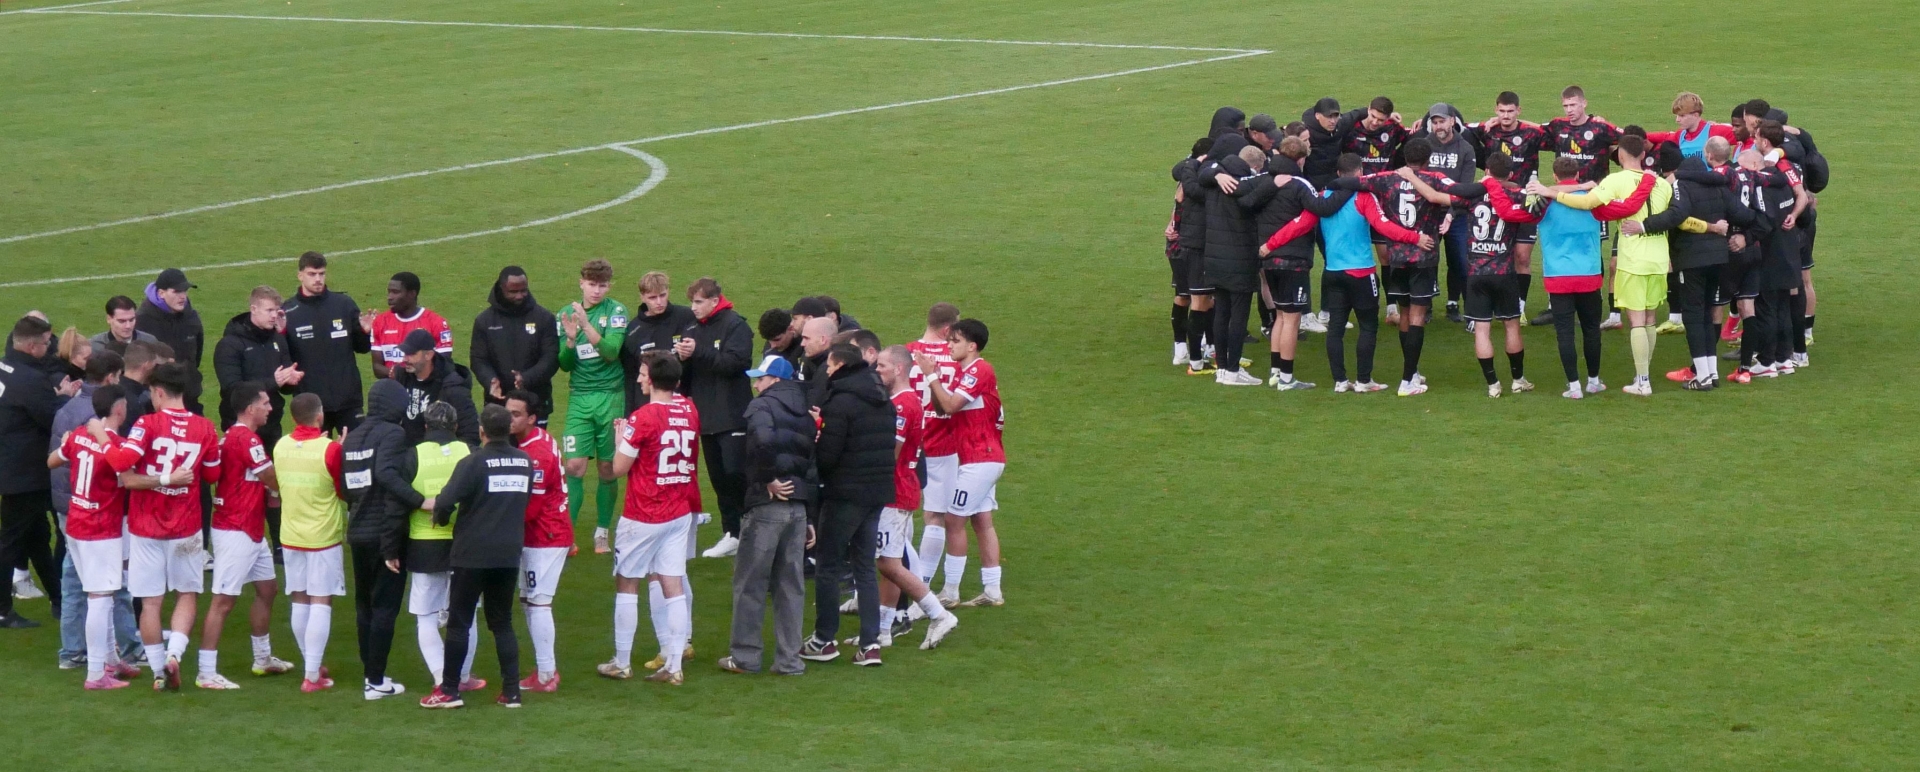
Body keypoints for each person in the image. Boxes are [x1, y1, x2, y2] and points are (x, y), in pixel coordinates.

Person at [1261, 153, 1432, 393]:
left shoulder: (1322, 198)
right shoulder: (1364, 197)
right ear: (1360, 173)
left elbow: (1299, 224)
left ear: (1339, 174)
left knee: (1336, 328)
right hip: (1361, 273)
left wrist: (1270, 245)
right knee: (1368, 327)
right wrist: (1415, 238)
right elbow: (1383, 226)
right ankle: (1363, 380)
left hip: (1332, 273)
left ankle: (1340, 381)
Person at [107, 361, 219, 690]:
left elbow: (121, 462)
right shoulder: (205, 427)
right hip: (187, 525)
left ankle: (158, 671)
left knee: (151, 602)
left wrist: (102, 436)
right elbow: (212, 474)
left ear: (158, 392)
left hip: (145, 526)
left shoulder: (147, 423)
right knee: (187, 594)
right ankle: (175, 655)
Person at [1530, 138, 1670, 394]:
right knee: (1596, 329)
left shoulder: (1547, 199)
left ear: (1555, 175)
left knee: (1565, 332)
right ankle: (1597, 381)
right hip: (1597, 273)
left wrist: (1550, 190)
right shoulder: (1655, 186)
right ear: (1578, 174)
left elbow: (1526, 211)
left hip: (1561, 276)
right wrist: (1584, 186)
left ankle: (1575, 386)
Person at [420, 405, 531, 709]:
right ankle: (511, 692)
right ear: (509, 429)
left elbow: (445, 500)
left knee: (459, 622)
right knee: (502, 622)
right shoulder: (524, 462)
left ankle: (449, 690)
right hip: (508, 553)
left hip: (472, 554)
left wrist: (442, 518)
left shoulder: (473, 462)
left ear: (482, 431)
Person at [1342, 137, 1473, 396]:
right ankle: (1407, 380)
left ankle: (1411, 372)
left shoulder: (1386, 178)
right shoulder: (1435, 179)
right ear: (1428, 159)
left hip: (1396, 257)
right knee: (1417, 316)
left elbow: (1350, 182)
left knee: (1404, 314)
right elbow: (1463, 192)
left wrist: (1327, 186)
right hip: (1423, 257)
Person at [597, 355, 698, 685]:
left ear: (652, 380)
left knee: (627, 582)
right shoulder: (689, 410)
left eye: (643, 374)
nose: (639, 379)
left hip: (643, 513)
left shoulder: (642, 417)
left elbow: (618, 469)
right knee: (673, 585)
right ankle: (674, 664)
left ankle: (622, 662)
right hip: (678, 511)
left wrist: (619, 441)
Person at [797, 344, 896, 667]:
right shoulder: (883, 400)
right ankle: (870, 644)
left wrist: (817, 433)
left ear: (839, 366)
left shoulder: (841, 402)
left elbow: (828, 456)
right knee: (864, 566)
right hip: (877, 493)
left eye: (829, 366)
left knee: (828, 564)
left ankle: (824, 639)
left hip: (845, 494)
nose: (826, 371)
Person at [1405, 155, 1534, 397]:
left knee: (1482, 330)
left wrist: (1411, 176)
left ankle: (1492, 384)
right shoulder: (1518, 195)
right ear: (1511, 174)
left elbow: (1434, 196)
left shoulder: (1472, 196)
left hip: (1476, 273)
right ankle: (1518, 380)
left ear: (1487, 171)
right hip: (1504, 272)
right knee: (1511, 326)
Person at [720, 354, 816, 676]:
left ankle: (745, 658)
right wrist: (809, 515)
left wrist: (766, 480)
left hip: (767, 507)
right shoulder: (805, 412)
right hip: (797, 509)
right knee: (791, 587)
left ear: (775, 380)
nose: (755, 384)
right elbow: (811, 467)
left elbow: (761, 443)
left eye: (760, 378)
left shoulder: (762, 406)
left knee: (750, 583)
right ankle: (789, 661)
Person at [196, 382, 293, 688]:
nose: (270, 408)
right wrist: (289, 488)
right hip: (235, 531)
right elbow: (268, 476)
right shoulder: (246, 439)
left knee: (268, 589)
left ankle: (262, 659)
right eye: (265, 403)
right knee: (223, 602)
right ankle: (205, 672)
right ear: (251, 409)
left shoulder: (234, 437)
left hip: (249, 529)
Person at [50, 352, 142, 668]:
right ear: (119, 409)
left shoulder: (78, 434)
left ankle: (107, 659)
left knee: (80, 588)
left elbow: (51, 461)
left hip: (75, 520)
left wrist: (68, 445)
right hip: (101, 528)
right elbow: (127, 475)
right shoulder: (117, 446)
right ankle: (96, 671)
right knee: (102, 598)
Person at [871, 346, 959, 649]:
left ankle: (939, 614)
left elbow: (890, 455)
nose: (876, 370)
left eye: (882, 365)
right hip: (901, 488)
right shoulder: (909, 401)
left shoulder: (901, 405)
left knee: (888, 564)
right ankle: (883, 631)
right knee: (887, 561)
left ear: (898, 369)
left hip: (894, 491)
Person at [341, 379, 422, 699]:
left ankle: (370, 675)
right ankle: (375, 680)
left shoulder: (352, 437)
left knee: (365, 606)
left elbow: (347, 487)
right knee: (385, 606)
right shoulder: (393, 434)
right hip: (385, 533)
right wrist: (419, 501)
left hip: (358, 531)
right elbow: (387, 474)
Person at [915, 319, 1004, 608]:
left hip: (980, 459)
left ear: (972, 346)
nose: (949, 346)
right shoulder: (966, 373)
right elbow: (944, 409)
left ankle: (950, 591)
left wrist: (931, 377)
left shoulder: (979, 370)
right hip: (981, 458)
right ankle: (992, 590)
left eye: (955, 341)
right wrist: (936, 380)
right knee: (982, 520)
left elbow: (951, 405)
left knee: (954, 520)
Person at [0, 315, 78, 628]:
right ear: (33, 347)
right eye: (46, 343)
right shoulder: (31, 379)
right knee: (12, 541)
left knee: (36, 536)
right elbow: (54, 418)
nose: (50, 348)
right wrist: (66, 397)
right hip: (26, 474)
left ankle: (59, 599)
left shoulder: (5, 367)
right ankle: (3, 610)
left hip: (12, 467)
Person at [1663, 137, 1756, 390]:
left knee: (1693, 317)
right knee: (1707, 314)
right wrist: (1746, 236)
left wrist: (1645, 226)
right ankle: (1711, 374)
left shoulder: (1681, 186)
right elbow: (1746, 215)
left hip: (1691, 261)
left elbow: (1678, 217)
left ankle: (1702, 377)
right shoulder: (1719, 187)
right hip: (1719, 259)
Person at [401, 402, 481, 697]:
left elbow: (399, 502)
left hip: (425, 543)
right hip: (465, 542)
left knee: (425, 615)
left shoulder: (413, 455)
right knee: (467, 613)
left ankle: (440, 677)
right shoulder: (470, 452)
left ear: (425, 426)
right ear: (456, 426)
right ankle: (462, 676)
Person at [612, 271, 695, 553]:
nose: (659, 302)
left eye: (663, 295)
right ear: (642, 297)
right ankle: (650, 510)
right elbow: (631, 377)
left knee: (679, 461)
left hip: (679, 405)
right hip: (647, 410)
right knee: (648, 464)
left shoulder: (685, 318)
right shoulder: (634, 331)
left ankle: (683, 510)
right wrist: (631, 413)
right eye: (652, 297)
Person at [274, 393, 347, 693]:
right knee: (320, 601)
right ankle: (312, 676)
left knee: (300, 599)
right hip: (322, 538)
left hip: (291, 536)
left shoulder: (280, 446)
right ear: (320, 417)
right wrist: (339, 451)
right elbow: (343, 491)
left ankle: (311, 665)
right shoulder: (330, 450)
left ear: (293, 418)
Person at [675, 278, 752, 559]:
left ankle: (752, 529)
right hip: (705, 418)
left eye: (698, 302)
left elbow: (736, 363)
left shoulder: (735, 325)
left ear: (714, 301)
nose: (693, 308)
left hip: (733, 415)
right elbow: (687, 378)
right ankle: (732, 533)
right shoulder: (692, 328)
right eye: (692, 302)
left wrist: (698, 352)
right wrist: (682, 360)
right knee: (719, 479)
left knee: (736, 474)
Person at [1236, 136, 1320, 389]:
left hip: (1268, 260)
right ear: (1301, 159)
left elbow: (1244, 201)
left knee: (1280, 316)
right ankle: (1286, 378)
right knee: (1292, 319)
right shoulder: (1301, 184)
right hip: (1293, 260)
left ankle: (1275, 371)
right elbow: (1319, 208)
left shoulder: (1264, 181)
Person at [557, 259, 628, 549]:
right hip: (580, 398)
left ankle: (602, 531)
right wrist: (570, 341)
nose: (596, 291)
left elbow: (611, 352)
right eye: (591, 284)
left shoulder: (616, 311)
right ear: (581, 283)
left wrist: (586, 326)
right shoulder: (565, 314)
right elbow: (564, 365)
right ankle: (567, 537)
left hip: (611, 397)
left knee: (607, 468)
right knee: (573, 465)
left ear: (609, 286)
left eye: (602, 285)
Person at [507, 391, 569, 692]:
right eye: (507, 412)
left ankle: (546, 675)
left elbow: (530, 509)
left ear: (532, 418)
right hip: (543, 534)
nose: (509, 418)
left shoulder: (537, 455)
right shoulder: (535, 440)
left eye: (516, 414)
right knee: (529, 601)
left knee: (538, 603)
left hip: (545, 535)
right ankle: (544, 670)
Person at [1470, 92, 1548, 323]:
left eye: (1510, 111)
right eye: (1502, 111)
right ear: (1496, 110)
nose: (1505, 116)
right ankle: (1493, 304)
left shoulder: (1530, 133)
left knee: (1522, 257)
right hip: (1495, 202)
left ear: (1518, 111)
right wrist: (1485, 124)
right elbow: (1458, 129)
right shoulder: (1488, 130)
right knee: (1498, 255)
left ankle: (1519, 307)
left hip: (1525, 203)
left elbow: (1558, 135)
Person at [1197, 135, 1264, 386]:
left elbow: (1202, 171)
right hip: (1240, 260)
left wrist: (1215, 172)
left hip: (1215, 259)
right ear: (1254, 167)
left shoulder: (1214, 181)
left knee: (1221, 314)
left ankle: (1223, 369)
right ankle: (1233, 370)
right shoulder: (1246, 186)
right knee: (1238, 317)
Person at [283, 252, 372, 434]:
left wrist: (365, 332)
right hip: (311, 406)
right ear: (300, 275)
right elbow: (284, 357)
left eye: (321, 274)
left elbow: (362, 348)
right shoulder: (288, 312)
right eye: (312, 274)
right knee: (317, 452)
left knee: (356, 450)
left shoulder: (344, 304)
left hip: (348, 401)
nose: (318, 279)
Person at [906, 303, 960, 590]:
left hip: (909, 441)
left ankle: (902, 573)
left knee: (901, 509)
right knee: (935, 516)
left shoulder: (906, 353)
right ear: (948, 329)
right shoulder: (957, 357)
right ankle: (923, 583)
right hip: (943, 443)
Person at [213, 286, 301, 449]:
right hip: (240, 428)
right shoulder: (230, 344)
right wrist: (273, 382)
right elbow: (232, 389)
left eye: (276, 310)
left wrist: (291, 380)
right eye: (269, 310)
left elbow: (284, 387)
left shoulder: (278, 340)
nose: (274, 315)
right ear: (254, 309)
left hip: (272, 425)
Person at [470, 266, 559, 423]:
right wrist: (490, 380)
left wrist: (526, 378)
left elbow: (550, 358)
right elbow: (478, 359)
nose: (519, 296)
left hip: (535, 405)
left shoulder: (544, 318)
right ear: (501, 288)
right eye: (513, 292)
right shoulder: (484, 321)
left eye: (523, 290)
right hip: (498, 406)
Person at [1170, 136, 1215, 368]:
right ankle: (1191, 349)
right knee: (1194, 296)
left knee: (1193, 296)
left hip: (1180, 243)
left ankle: (1195, 348)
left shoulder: (1187, 175)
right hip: (1188, 244)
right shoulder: (1196, 180)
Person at [135, 268, 206, 414]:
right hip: (156, 403)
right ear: (161, 293)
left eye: (184, 291)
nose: (183, 296)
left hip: (189, 398)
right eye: (177, 292)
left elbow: (196, 356)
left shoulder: (191, 318)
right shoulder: (143, 321)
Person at [393, 329, 479, 445]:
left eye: (411, 354)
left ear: (428, 355)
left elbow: (470, 431)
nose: (405, 359)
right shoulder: (401, 377)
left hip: (438, 453)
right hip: (407, 452)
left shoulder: (453, 386)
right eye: (405, 354)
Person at [368, 272, 453, 380]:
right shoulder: (380, 322)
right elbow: (377, 368)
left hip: (425, 388)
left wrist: (404, 378)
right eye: (389, 292)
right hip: (393, 388)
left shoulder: (436, 323)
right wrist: (398, 374)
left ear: (412, 294)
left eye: (395, 292)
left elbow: (443, 366)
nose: (389, 297)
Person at [1299, 97, 1364, 188]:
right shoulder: (1305, 133)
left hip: (1336, 184)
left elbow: (1358, 114)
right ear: (1317, 115)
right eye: (1329, 117)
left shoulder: (1340, 125)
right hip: (1312, 187)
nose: (1333, 121)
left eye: (1336, 116)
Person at [91, 295, 157, 358]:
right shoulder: (95, 346)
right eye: (122, 321)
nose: (128, 326)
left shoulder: (149, 342)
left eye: (131, 320)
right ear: (109, 319)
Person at [797, 316, 837, 404]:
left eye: (806, 338)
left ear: (823, 340)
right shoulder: (808, 357)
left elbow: (814, 403)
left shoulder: (830, 368)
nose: (802, 344)